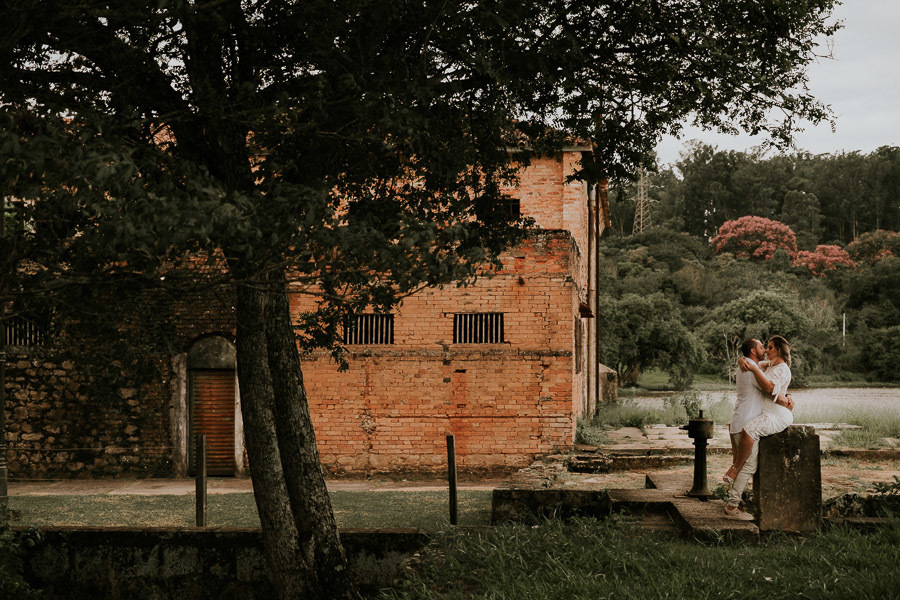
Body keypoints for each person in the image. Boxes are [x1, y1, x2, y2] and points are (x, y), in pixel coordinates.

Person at [722, 335, 795, 520]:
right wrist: (746, 362)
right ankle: (731, 506)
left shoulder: (759, 367)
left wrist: (785, 397)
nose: (766, 350)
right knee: (747, 466)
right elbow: (770, 389)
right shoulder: (754, 368)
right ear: (754, 352)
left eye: (769, 347)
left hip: (752, 418)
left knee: (744, 464)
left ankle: (732, 502)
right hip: (747, 420)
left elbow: (773, 388)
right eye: (764, 347)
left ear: (777, 350)